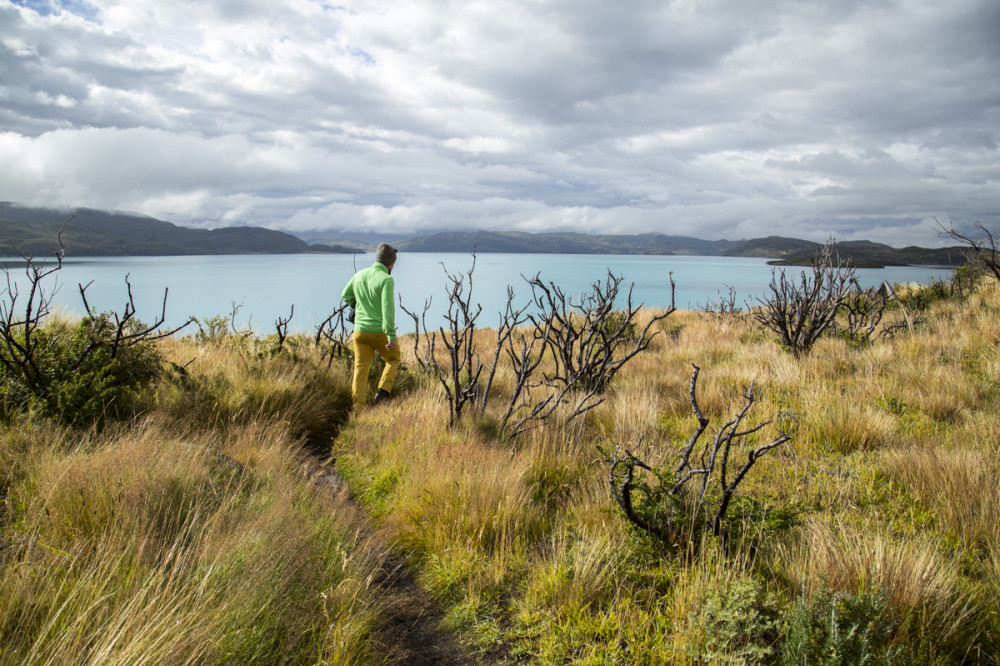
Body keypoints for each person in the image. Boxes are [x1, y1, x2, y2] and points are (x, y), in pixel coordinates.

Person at [341, 243, 402, 411]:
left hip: (359, 332)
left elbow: (345, 295)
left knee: (360, 370)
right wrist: (391, 335)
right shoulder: (386, 279)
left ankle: (358, 409)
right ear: (390, 263)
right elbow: (388, 309)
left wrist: (357, 305)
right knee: (394, 358)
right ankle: (382, 392)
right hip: (379, 332)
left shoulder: (360, 275)